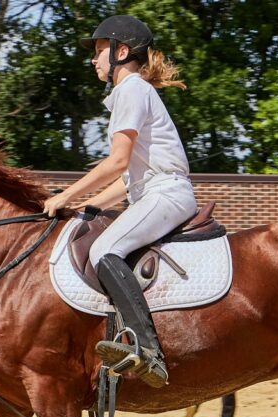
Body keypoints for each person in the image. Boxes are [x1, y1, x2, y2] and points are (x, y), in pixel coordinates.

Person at [43, 15, 197, 388]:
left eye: (98, 52)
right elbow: (128, 184)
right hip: (152, 191)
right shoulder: (131, 93)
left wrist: (65, 194)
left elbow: (117, 162)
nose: (94, 60)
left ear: (121, 52)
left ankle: (148, 349)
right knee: (101, 236)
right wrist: (88, 206)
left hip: (166, 193)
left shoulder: (131, 89)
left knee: (103, 251)